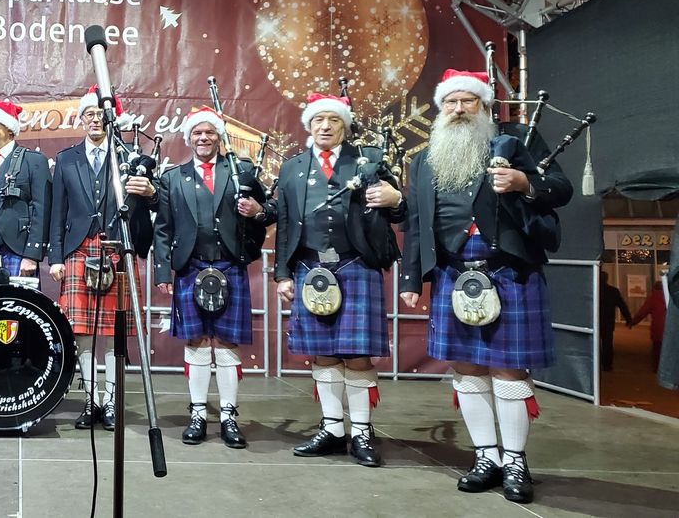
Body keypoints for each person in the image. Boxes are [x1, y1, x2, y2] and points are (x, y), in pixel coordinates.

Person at [399, 69, 572, 504]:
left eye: (468, 102)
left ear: (484, 105)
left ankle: (515, 459)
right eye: (451, 103)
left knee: (510, 370)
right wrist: (412, 278)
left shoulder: (519, 139)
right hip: (453, 273)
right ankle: (486, 456)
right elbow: (418, 224)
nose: (458, 110)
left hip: (510, 269)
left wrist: (524, 182)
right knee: (466, 369)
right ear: (441, 109)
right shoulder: (424, 159)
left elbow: (562, 189)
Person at [268, 93, 404, 467]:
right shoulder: (292, 167)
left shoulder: (369, 160)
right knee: (323, 354)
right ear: (309, 126)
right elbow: (283, 226)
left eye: (333, 120)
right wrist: (282, 273)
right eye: (318, 120)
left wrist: (394, 199)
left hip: (356, 265)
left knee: (357, 355)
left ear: (344, 125)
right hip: (309, 267)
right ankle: (332, 429)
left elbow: (400, 210)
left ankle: (361, 431)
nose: (325, 126)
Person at [153, 106, 272, 449]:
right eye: (197, 133)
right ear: (189, 138)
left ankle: (230, 416)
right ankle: (199, 415)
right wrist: (164, 269)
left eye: (209, 133)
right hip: (191, 267)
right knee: (197, 342)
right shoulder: (173, 178)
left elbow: (261, 217)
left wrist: (256, 213)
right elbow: (163, 229)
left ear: (219, 136)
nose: (203, 138)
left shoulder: (241, 171)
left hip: (229, 266)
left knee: (226, 343)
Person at [48, 87, 156, 431]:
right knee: (81, 334)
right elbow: (56, 213)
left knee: (113, 334)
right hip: (78, 249)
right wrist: (56, 256)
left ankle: (111, 403)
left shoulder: (126, 156)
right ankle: (91, 402)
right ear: (81, 120)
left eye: (100, 115)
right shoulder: (66, 159)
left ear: (111, 119)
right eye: (89, 115)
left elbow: (143, 207)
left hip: (116, 249)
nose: (95, 120)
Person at [0, 99, 51, 281]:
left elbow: (41, 210)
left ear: (9, 129)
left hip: (18, 253)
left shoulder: (33, 161)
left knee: (17, 308)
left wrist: (31, 255)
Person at [598, 270, 632, 371]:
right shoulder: (613, 291)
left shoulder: (592, 289)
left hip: (594, 321)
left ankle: (592, 363)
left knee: (592, 342)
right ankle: (607, 365)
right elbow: (622, 305)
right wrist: (628, 318)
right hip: (608, 321)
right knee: (607, 344)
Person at [630, 280, 667, 373]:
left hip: (658, 329)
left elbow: (642, 313)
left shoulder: (653, 298)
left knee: (657, 350)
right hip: (672, 329)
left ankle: (657, 368)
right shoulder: (670, 297)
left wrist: (632, 322)